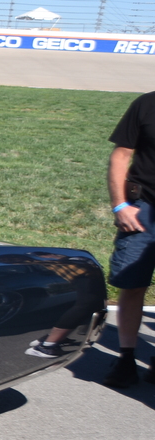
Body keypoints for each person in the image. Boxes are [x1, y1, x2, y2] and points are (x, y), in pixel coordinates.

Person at [101, 92, 155, 388]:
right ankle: (126, 358)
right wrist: (120, 205)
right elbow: (121, 154)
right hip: (143, 207)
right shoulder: (146, 104)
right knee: (132, 284)